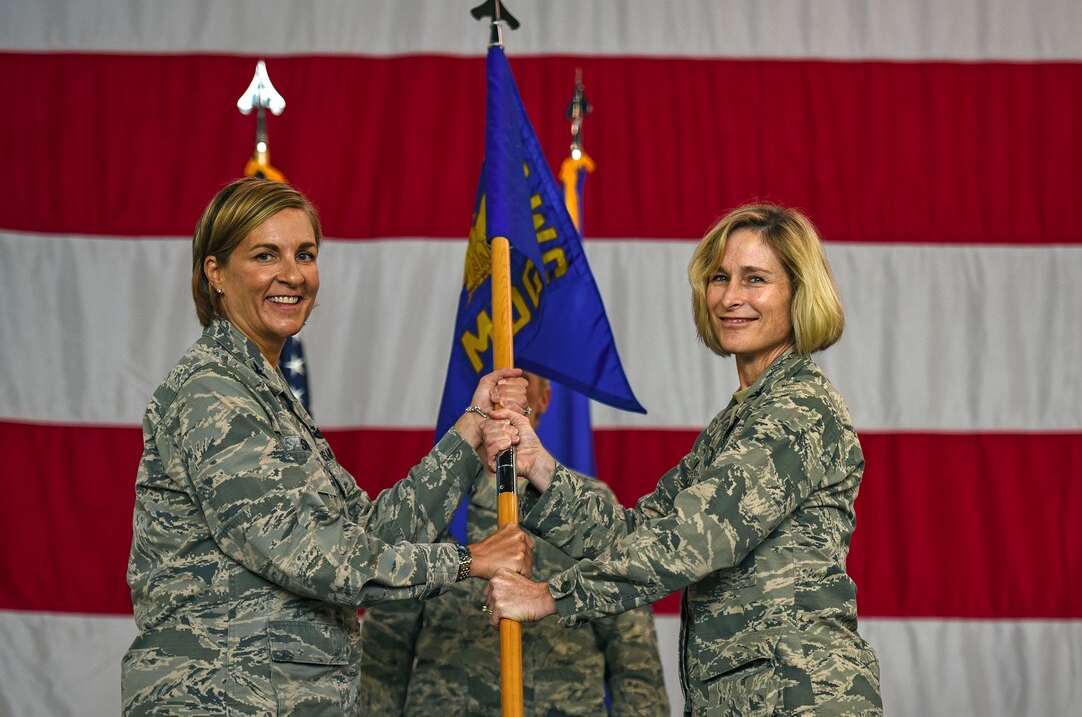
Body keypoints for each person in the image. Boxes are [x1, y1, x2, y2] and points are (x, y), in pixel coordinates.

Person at [122, 178, 535, 715]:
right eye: (265, 255)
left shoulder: (264, 391)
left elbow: (367, 535)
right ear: (215, 272)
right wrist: (467, 560)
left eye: (305, 254)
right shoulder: (213, 392)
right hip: (221, 698)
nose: (292, 275)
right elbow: (311, 557)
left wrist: (470, 431)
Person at [482, 203, 883, 715]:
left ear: (799, 294)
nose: (731, 297)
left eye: (755, 279)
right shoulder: (738, 420)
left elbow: (696, 539)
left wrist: (550, 596)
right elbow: (638, 532)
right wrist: (539, 466)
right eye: (720, 277)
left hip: (799, 698)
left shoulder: (798, 408)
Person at [358, 373, 670, 715]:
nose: (504, 401)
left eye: (519, 386)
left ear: (543, 400)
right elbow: (384, 654)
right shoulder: (430, 505)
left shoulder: (589, 506)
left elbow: (633, 653)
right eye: (495, 389)